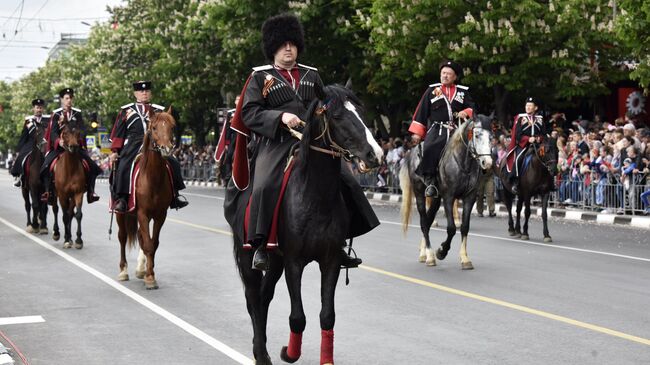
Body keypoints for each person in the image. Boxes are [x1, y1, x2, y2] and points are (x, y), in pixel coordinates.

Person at [235, 13, 376, 271]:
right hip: (276, 143)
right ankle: (261, 246)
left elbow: (328, 105)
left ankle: (340, 243)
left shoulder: (312, 75)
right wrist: (280, 117)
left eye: (292, 43)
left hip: (314, 142)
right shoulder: (259, 77)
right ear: (272, 48)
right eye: (282, 44)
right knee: (265, 186)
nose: (288, 48)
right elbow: (249, 113)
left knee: (347, 181)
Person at [109, 81, 188, 212]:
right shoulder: (126, 110)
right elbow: (119, 134)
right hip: (134, 144)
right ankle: (122, 198)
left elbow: (167, 129)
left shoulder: (159, 110)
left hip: (155, 143)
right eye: (141, 91)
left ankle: (175, 195)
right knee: (124, 165)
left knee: (173, 162)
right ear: (135, 94)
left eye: (147, 91)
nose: (144, 93)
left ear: (150, 93)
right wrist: (115, 151)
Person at [409, 60, 476, 198]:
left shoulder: (463, 92)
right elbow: (422, 111)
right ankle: (431, 181)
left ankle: (474, 182)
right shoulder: (432, 91)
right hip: (438, 129)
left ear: (455, 77)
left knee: (475, 149)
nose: (445, 76)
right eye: (443, 73)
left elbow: (473, 108)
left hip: (458, 130)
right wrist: (417, 133)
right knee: (431, 147)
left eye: (448, 74)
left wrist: (466, 112)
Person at [40, 88, 101, 203]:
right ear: (62, 100)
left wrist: (78, 138)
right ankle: (48, 192)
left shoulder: (77, 113)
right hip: (60, 149)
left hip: (75, 147)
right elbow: (52, 132)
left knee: (92, 166)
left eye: (70, 98)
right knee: (46, 166)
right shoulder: (56, 114)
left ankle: (91, 191)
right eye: (66, 98)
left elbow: (83, 130)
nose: (69, 100)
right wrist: (59, 141)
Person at [504, 97, 545, 194]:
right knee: (518, 158)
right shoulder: (520, 118)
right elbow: (517, 135)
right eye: (527, 105)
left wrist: (539, 138)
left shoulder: (540, 119)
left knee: (547, 157)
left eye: (530, 105)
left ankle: (548, 182)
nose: (528, 107)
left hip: (537, 145)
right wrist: (528, 139)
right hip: (523, 145)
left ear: (535, 108)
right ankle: (515, 182)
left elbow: (543, 133)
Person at [10, 98, 50, 187]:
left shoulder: (48, 119)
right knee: (22, 156)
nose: (39, 109)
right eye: (37, 107)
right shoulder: (28, 120)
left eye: (40, 108)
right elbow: (24, 136)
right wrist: (19, 150)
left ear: (43, 109)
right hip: (31, 144)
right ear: (34, 109)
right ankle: (20, 176)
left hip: (44, 143)